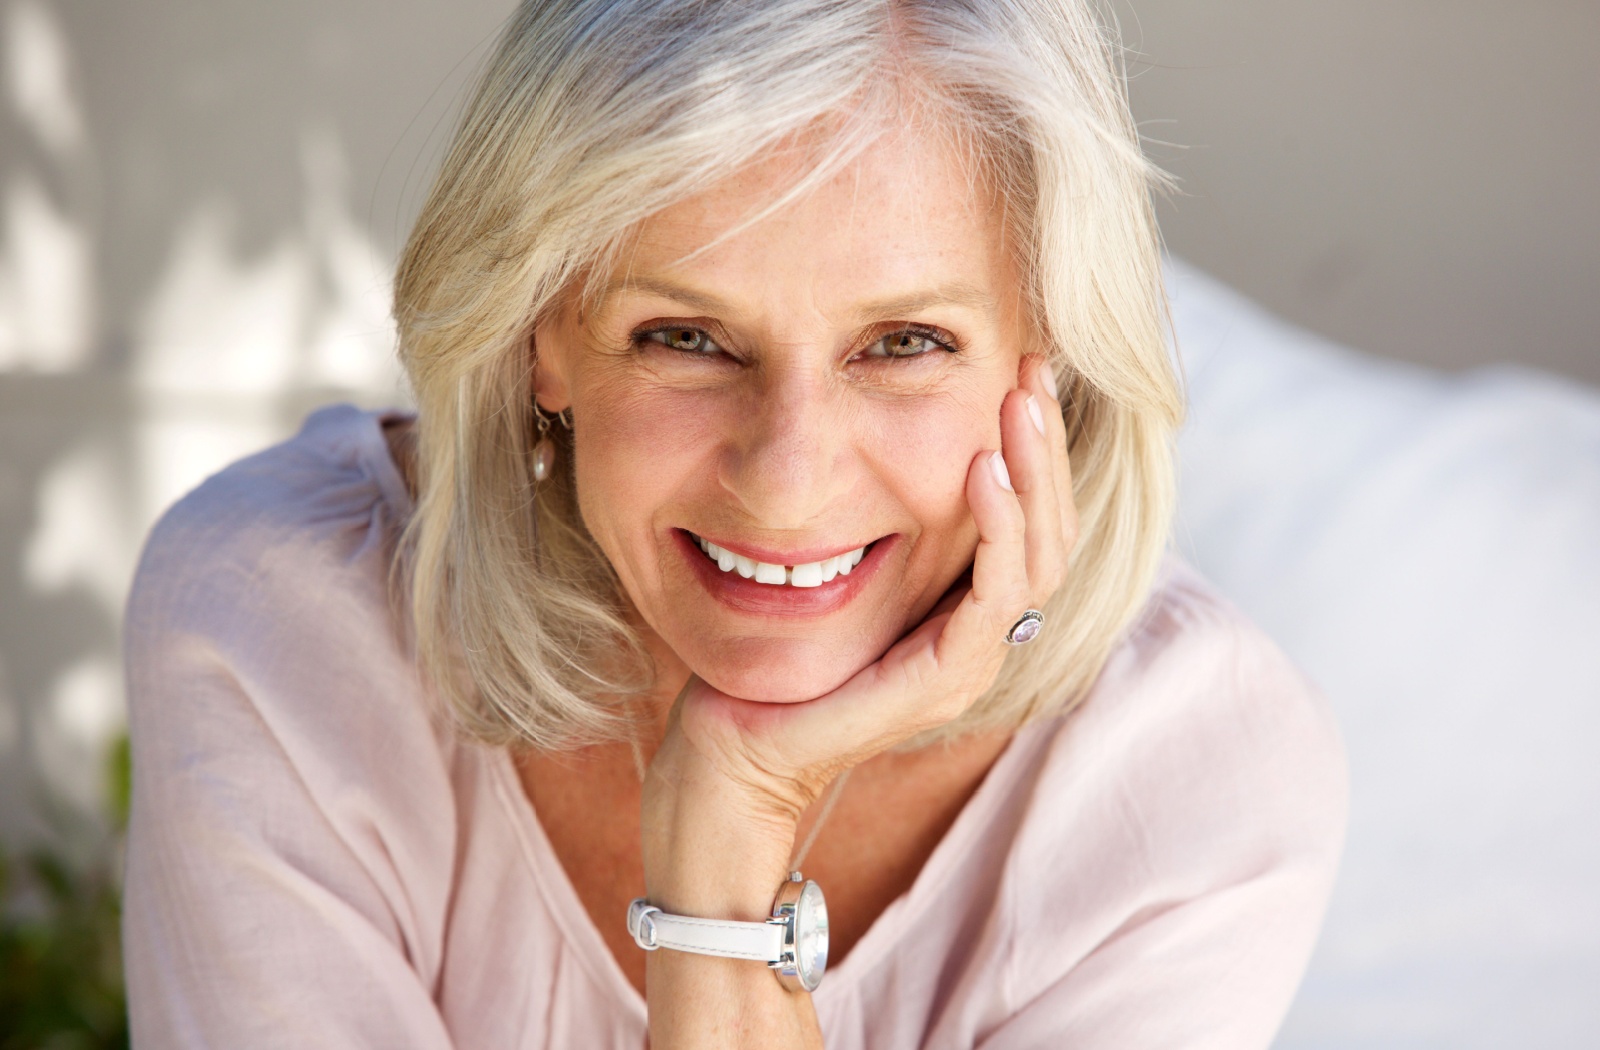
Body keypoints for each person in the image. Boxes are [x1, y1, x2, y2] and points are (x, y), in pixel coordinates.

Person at [120, 1, 1347, 1046]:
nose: (787, 479)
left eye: (905, 343)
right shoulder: (281, 623)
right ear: (541, 339)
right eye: (685, 338)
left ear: (1050, 364)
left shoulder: (1194, 775)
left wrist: (732, 831)